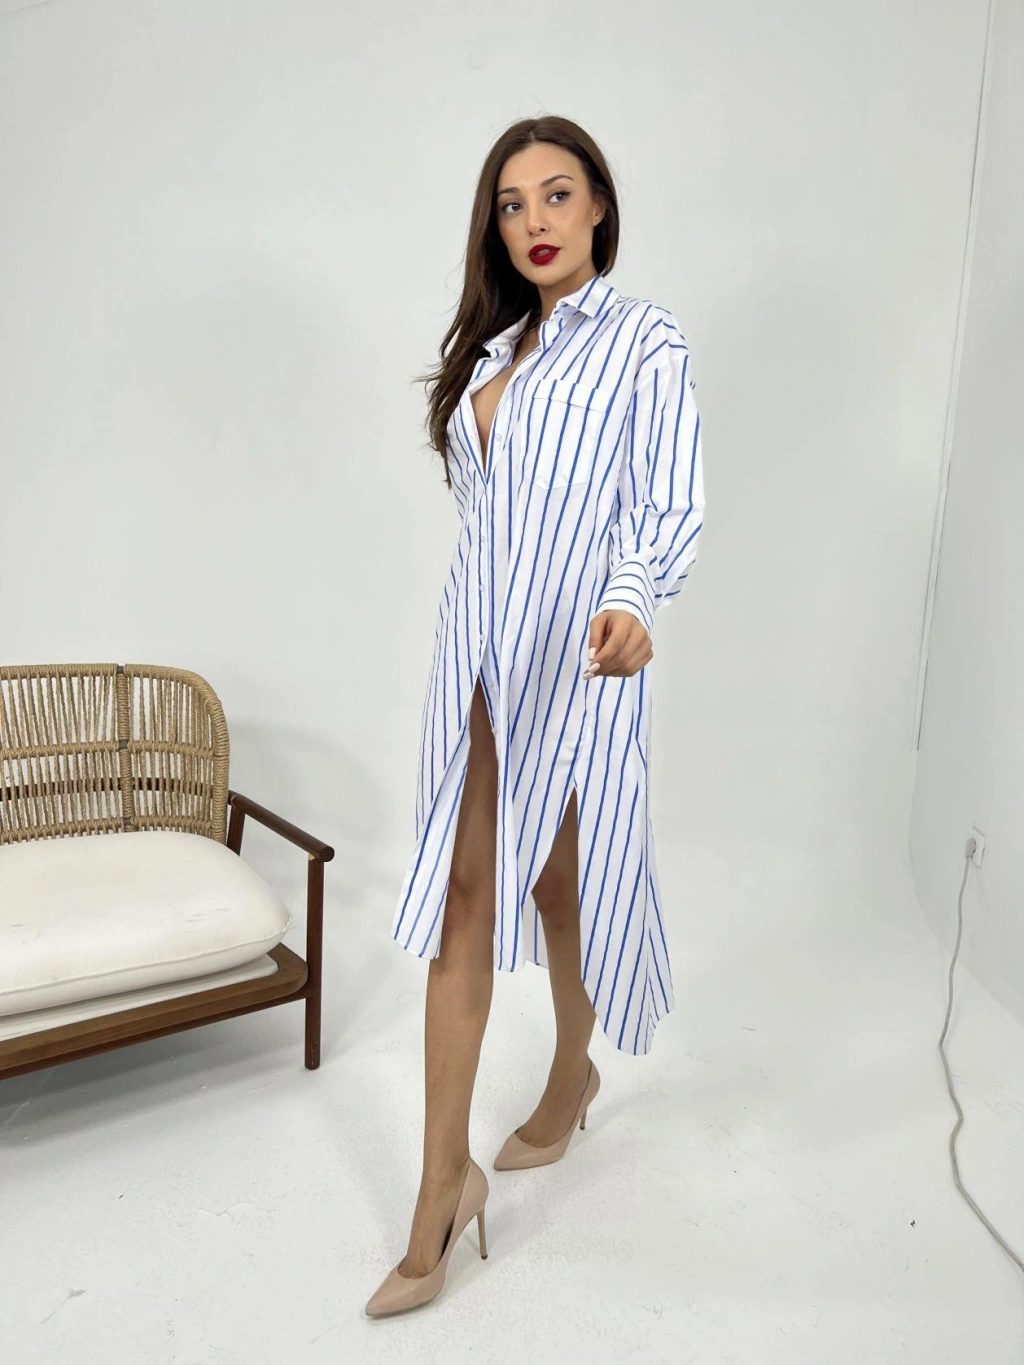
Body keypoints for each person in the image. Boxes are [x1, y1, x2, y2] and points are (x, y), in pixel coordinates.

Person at [366, 114, 705, 1318]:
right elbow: (493, 522)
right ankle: (440, 1184)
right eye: (512, 206)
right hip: (477, 656)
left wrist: (632, 603)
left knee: (565, 880)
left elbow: (661, 503)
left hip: (583, 653)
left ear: (600, 205)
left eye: (557, 195)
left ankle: (571, 1073)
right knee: (467, 892)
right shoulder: (494, 354)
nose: (535, 222)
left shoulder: (644, 341)